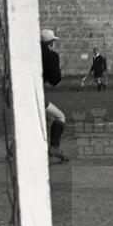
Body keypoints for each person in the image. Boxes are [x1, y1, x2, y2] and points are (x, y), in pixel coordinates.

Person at [41, 29, 68, 162]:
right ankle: (54, 148)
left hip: (13, 92)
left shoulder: (28, 54)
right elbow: (54, 80)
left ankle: (14, 148)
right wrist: (57, 67)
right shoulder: (51, 55)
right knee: (59, 116)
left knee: (42, 119)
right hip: (33, 94)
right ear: (51, 43)